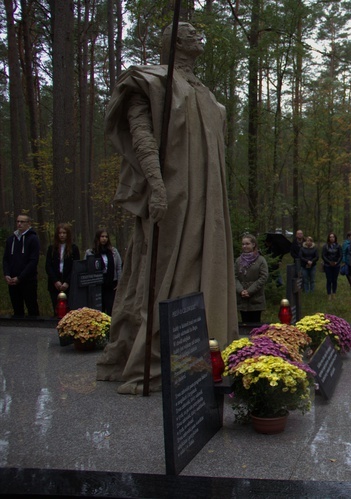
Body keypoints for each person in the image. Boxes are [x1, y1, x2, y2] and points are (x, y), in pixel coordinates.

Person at [97, 22, 238, 394]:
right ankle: (157, 355)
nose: (199, 36)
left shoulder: (205, 94)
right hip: (175, 199)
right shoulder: (152, 81)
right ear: (176, 41)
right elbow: (140, 133)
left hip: (209, 202)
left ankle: (206, 351)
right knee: (164, 271)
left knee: (205, 269)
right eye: (192, 32)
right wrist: (156, 186)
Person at [3, 213, 40, 318]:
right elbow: (6, 259)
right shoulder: (11, 239)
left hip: (28, 280)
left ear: (28, 223)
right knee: (17, 309)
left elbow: (33, 261)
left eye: (22, 222)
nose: (19, 224)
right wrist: (7, 274)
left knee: (32, 307)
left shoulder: (33, 239)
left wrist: (20, 277)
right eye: (18, 221)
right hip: (12, 281)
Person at [84, 229, 122, 316]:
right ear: (98, 238)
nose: (104, 239)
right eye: (102, 236)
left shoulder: (113, 252)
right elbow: (86, 269)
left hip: (111, 284)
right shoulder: (90, 252)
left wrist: (119, 282)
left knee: (110, 308)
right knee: (98, 310)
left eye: (106, 237)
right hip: (97, 285)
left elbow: (118, 268)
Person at [45, 223, 81, 314]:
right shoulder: (51, 248)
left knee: (69, 309)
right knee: (56, 308)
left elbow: (75, 267)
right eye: (60, 233)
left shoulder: (73, 248)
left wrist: (67, 282)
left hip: (69, 282)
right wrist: (55, 281)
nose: (62, 235)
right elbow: (48, 266)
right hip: (55, 282)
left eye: (64, 233)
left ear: (68, 234)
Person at [235, 233, 268, 323]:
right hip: (242, 298)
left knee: (255, 324)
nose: (244, 246)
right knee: (244, 323)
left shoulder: (261, 260)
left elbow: (263, 277)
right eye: (243, 244)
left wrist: (249, 291)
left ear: (253, 245)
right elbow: (234, 277)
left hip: (256, 298)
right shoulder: (238, 260)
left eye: (247, 244)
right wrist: (241, 290)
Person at [321, 232, 342, 300]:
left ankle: (334, 293)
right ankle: (329, 294)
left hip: (336, 265)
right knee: (329, 280)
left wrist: (337, 262)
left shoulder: (338, 246)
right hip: (328, 265)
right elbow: (323, 255)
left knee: (334, 280)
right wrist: (329, 262)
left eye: (333, 237)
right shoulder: (325, 246)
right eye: (330, 237)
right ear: (328, 238)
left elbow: (340, 255)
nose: (332, 238)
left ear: (335, 238)